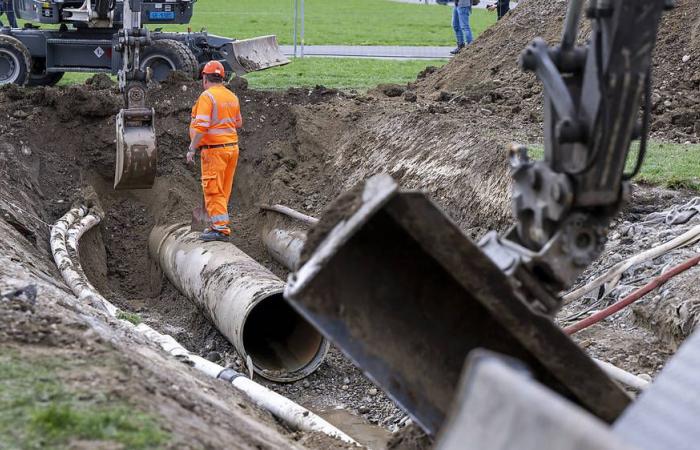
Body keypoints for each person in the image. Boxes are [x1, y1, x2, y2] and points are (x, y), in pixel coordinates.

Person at [187, 60, 243, 242]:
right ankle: (218, 224)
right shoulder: (232, 96)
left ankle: (220, 230)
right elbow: (238, 123)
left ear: (204, 78)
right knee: (223, 190)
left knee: (213, 190)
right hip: (232, 149)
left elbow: (201, 126)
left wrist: (192, 148)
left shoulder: (207, 97)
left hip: (215, 151)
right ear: (222, 77)